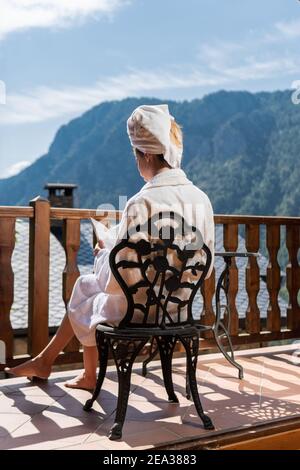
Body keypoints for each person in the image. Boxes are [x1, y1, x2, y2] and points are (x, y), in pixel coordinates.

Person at [5, 104, 214, 391]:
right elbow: (206, 263)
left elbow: (116, 282)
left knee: (86, 287)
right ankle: (55, 363)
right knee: (86, 287)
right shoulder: (201, 199)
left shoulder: (142, 203)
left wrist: (105, 251)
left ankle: (77, 371)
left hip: (140, 311)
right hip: (178, 307)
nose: (137, 164)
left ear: (148, 154)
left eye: (136, 157)